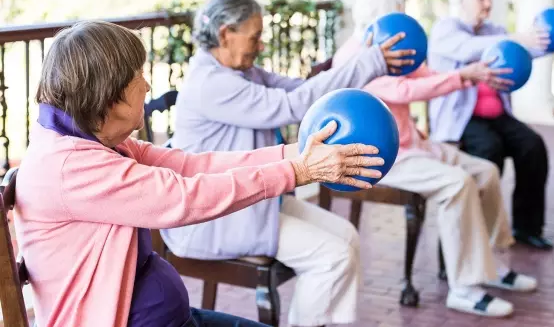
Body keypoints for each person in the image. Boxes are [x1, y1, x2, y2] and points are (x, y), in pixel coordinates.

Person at [12, 21, 386, 327]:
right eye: (137, 76)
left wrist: (298, 154)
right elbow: (185, 198)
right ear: (109, 96)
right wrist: (297, 172)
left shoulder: (95, 139)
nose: (147, 84)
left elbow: (194, 166)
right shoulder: (72, 167)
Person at [161, 0, 413, 327]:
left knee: (347, 236)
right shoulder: (211, 83)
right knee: (332, 256)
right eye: (255, 36)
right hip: (215, 218)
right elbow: (292, 107)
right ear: (225, 34)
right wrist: (371, 61)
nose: (261, 45)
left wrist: (362, 60)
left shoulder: (242, 72)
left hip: (252, 200)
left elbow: (303, 92)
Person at [332, 0, 539, 318]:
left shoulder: (389, 48)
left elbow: (424, 75)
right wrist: (464, 77)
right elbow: (403, 91)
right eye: (400, 16)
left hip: (414, 143)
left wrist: (474, 73)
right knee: (457, 184)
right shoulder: (354, 59)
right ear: (382, 19)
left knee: (485, 172)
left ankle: (492, 265)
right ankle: (465, 289)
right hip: (386, 157)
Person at [428, 0, 554, 250]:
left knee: (533, 146)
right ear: (462, 0)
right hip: (462, 121)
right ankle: (476, 237)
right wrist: (517, 39)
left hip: (498, 116)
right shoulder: (446, 30)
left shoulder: (493, 31)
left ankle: (526, 228)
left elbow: (523, 49)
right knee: (489, 150)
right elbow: (469, 49)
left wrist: (546, 40)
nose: (487, 4)